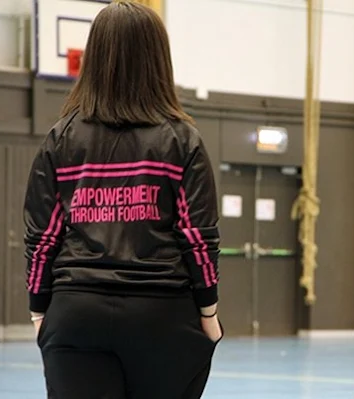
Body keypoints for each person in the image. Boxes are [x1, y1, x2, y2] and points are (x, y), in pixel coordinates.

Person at [22, 2, 223, 398]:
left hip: (77, 310)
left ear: (94, 57)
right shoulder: (182, 140)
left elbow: (42, 237)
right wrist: (208, 310)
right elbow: (198, 237)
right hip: (163, 315)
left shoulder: (61, 139)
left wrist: (39, 309)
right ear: (158, 59)